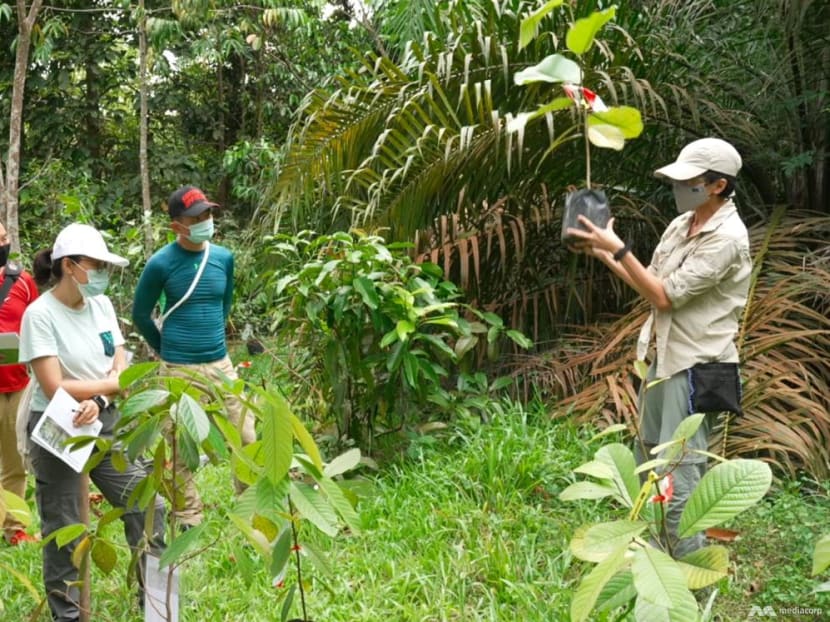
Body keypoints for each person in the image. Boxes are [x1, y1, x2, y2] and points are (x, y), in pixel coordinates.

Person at [566, 137, 752, 557]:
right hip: (663, 359)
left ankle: (689, 574)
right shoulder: (680, 224)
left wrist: (619, 248)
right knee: (649, 459)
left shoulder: (728, 238)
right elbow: (650, 285)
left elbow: (666, 297)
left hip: (697, 369)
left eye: (689, 181)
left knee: (679, 474)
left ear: (718, 185)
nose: (678, 187)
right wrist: (604, 252)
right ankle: (651, 554)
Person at [19, 223, 165, 622]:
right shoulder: (40, 314)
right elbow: (53, 385)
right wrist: (111, 386)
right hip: (58, 427)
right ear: (69, 266)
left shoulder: (100, 305)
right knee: (66, 530)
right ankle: (68, 617)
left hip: (103, 420)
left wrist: (101, 396)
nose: (101, 272)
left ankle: (157, 607)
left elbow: (119, 358)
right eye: (95, 264)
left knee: (150, 505)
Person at [132, 185, 255, 529]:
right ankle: (188, 514)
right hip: (178, 368)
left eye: (208, 214)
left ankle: (248, 505)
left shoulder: (223, 258)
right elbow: (140, 314)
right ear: (177, 226)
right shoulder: (160, 264)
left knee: (245, 435)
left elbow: (224, 303)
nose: (206, 221)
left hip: (221, 364)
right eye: (196, 217)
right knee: (181, 443)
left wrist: (212, 340)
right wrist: (168, 349)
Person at [0, 221, 39, 545]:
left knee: (15, 463)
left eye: (4, 238)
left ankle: (15, 530)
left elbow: (36, 324)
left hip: (16, 385)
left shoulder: (22, 281)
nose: (3, 244)